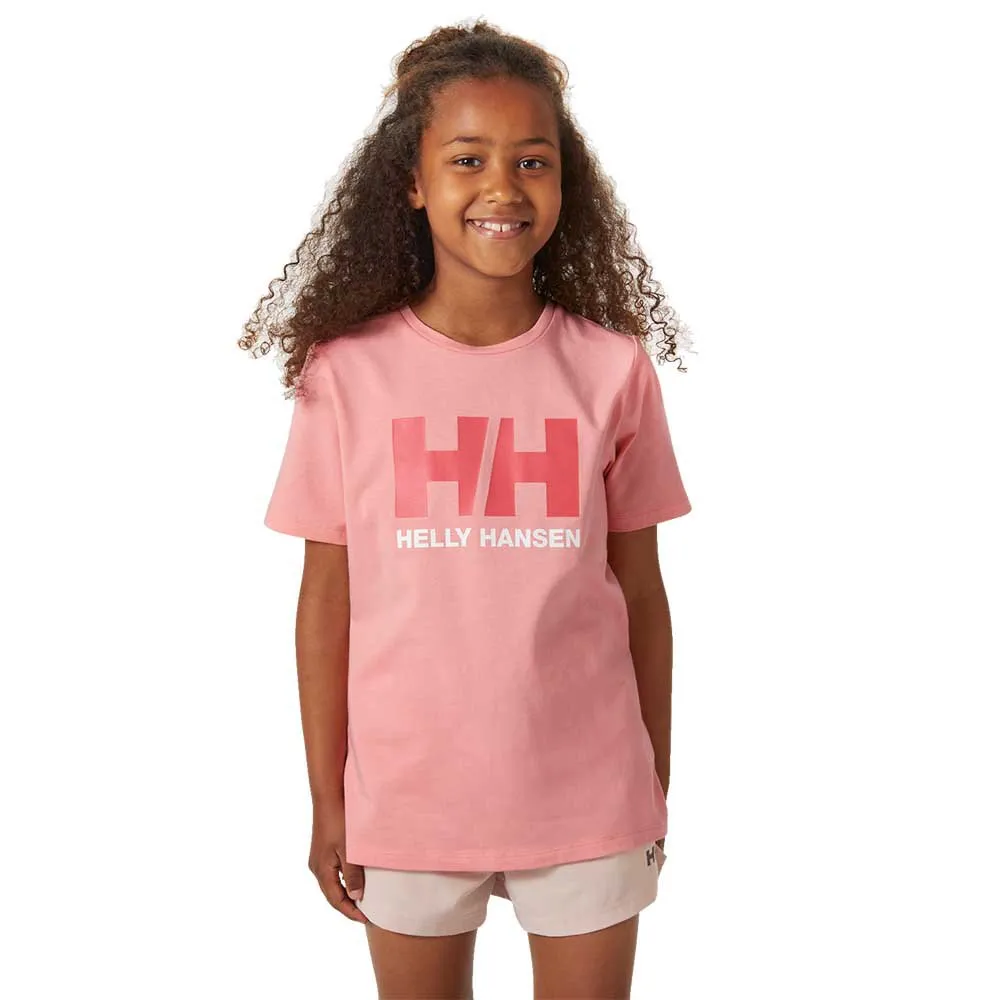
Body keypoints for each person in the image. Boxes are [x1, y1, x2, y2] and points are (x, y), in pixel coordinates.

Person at [242, 17, 695, 999]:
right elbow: (327, 603)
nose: (503, 186)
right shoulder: (346, 373)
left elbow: (642, 594)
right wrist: (328, 799)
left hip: (588, 794)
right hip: (408, 798)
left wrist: (652, 779)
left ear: (566, 182)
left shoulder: (612, 369)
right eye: (467, 159)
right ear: (412, 181)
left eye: (533, 160)